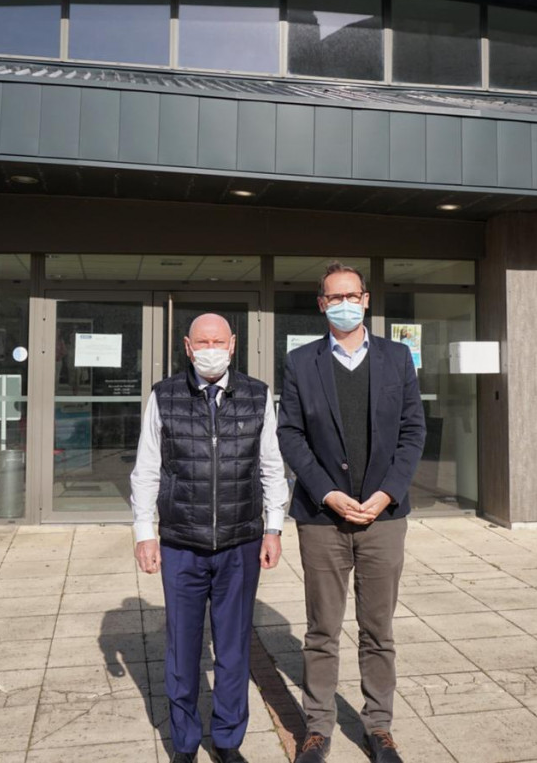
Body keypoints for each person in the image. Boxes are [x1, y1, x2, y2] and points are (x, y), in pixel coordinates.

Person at [278, 262, 426, 763]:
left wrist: (387, 492)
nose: (343, 302)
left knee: (377, 628)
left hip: (384, 517)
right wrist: (324, 492)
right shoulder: (301, 363)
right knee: (322, 629)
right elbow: (290, 435)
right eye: (332, 296)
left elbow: (412, 431)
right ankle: (317, 728)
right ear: (321, 304)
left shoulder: (396, 357)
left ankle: (377, 727)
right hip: (323, 519)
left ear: (366, 299)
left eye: (352, 294)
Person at [131, 313, 289, 763]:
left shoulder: (258, 395)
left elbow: (272, 466)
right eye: (203, 341)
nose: (211, 347)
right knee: (182, 651)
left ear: (233, 344)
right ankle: (184, 744)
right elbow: (147, 469)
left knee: (234, 649)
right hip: (181, 542)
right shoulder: (164, 396)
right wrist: (145, 533)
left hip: (240, 542)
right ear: (187, 345)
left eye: (219, 340)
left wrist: (273, 527)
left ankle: (226, 740)